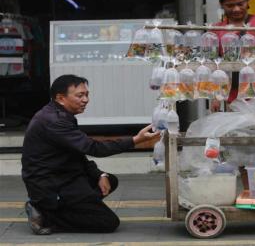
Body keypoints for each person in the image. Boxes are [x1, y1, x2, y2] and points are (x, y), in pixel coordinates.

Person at [22, 74, 159, 235]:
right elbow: (94, 148)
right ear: (60, 98)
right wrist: (136, 140)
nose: (86, 100)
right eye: (80, 95)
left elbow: (76, 153)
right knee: (108, 223)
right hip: (50, 184)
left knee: (109, 180)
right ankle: (46, 214)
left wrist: (100, 174)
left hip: (64, 176)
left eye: (87, 95)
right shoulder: (54, 121)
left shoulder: (61, 115)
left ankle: (72, 206)